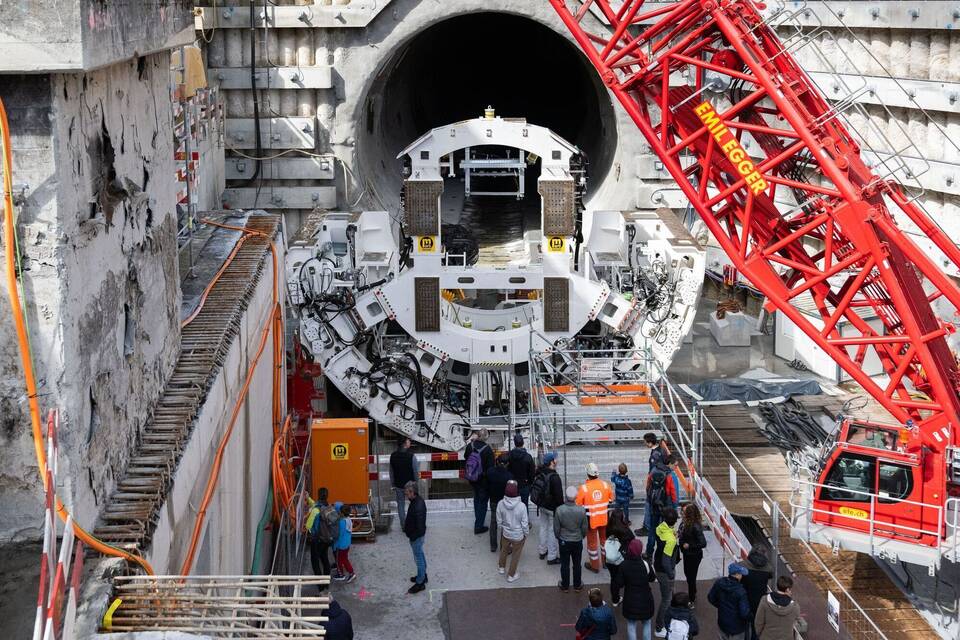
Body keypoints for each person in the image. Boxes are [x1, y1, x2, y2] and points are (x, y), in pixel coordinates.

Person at [613, 538, 657, 640]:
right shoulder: (645, 564)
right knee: (646, 623)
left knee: (631, 624)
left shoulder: (624, 565)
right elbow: (652, 578)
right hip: (646, 599)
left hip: (630, 600)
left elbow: (619, 583)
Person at [576, 462, 614, 572]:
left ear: (587, 474)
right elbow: (611, 499)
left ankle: (595, 566)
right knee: (604, 541)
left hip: (591, 521)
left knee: (592, 544)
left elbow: (578, 504)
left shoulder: (584, 488)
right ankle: (605, 562)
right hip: (604, 519)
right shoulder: (605, 485)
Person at [554, 485, 589, 592]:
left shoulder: (559, 510)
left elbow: (556, 528)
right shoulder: (581, 510)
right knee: (577, 564)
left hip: (564, 540)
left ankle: (565, 585)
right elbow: (584, 528)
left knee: (565, 564)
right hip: (577, 540)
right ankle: (577, 585)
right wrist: (581, 536)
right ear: (576, 497)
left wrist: (559, 537)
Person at [754, 575, 808, 640]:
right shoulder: (795, 606)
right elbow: (797, 619)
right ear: (787, 589)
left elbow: (758, 622)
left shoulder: (764, 600)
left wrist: (759, 635)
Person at [654, 507, 680, 637]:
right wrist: (671, 574)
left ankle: (670, 615)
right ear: (674, 521)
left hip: (657, 564)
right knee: (666, 599)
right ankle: (659, 627)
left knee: (669, 594)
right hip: (664, 571)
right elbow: (666, 561)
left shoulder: (660, 527)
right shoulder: (670, 540)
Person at [496, 480, 530, 582]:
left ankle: (501, 567)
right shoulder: (522, 506)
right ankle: (511, 575)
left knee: (504, 550)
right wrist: (526, 534)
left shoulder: (500, 503)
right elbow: (524, 523)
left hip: (506, 533)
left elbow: (498, 520)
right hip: (518, 535)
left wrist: (502, 528)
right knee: (516, 554)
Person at [708, 563, 752, 640]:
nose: (742, 576)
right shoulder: (741, 592)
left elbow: (711, 598)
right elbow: (744, 613)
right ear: (737, 575)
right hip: (737, 628)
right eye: (741, 574)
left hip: (723, 623)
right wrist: (751, 616)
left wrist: (721, 606)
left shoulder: (719, 583)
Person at [645, 459, 678, 559]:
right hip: (665, 504)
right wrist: (674, 505)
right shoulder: (668, 474)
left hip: (654, 504)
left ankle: (649, 553)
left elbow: (648, 487)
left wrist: (651, 497)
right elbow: (672, 491)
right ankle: (662, 551)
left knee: (652, 529)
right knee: (665, 528)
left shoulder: (653, 471)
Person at [534, 452, 564, 564]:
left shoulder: (540, 472)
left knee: (543, 527)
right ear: (552, 462)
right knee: (552, 531)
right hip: (552, 508)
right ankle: (552, 557)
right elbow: (559, 497)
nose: (557, 460)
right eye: (555, 459)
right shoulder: (555, 477)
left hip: (542, 505)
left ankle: (542, 551)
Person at [463, 429, 494, 534]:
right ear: (486, 437)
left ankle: (478, 519)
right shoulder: (488, 450)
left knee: (476, 498)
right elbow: (490, 468)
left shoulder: (470, 446)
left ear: (478, 435)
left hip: (472, 478)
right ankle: (479, 526)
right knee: (483, 502)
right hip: (483, 480)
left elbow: (466, 458)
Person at [305, 487, 335, 588]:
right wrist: (308, 498)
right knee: (325, 559)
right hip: (326, 539)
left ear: (318, 495)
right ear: (327, 496)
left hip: (317, 540)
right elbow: (315, 505)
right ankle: (326, 585)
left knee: (315, 562)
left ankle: (321, 589)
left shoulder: (315, 510)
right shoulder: (328, 507)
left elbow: (308, 526)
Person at [742, 545, 773, 640]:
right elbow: (770, 579)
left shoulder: (743, 565)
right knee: (757, 624)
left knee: (744, 623)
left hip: (745, 598)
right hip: (759, 600)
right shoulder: (769, 568)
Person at [605, 508, 635, 606]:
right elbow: (632, 540)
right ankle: (628, 599)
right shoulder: (625, 530)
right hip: (622, 558)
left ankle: (615, 599)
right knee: (627, 579)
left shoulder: (608, 528)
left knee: (613, 579)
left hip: (610, 558)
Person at [678, 503, 707, 604]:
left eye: (684, 511)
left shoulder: (695, 526)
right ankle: (693, 591)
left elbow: (703, 543)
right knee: (688, 574)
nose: (682, 512)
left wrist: (689, 545)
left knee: (691, 576)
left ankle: (691, 598)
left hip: (693, 555)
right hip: (688, 554)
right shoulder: (685, 523)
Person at [403, 480, 428, 594]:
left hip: (416, 537)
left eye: (407, 493)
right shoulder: (417, 501)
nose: (406, 495)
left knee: (418, 559)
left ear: (413, 492)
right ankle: (422, 575)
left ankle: (420, 583)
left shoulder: (417, 505)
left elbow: (420, 527)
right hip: (416, 536)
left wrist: (412, 537)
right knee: (420, 556)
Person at [486, 454, 514, 553]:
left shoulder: (490, 472)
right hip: (504, 502)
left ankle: (493, 546)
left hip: (493, 500)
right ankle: (504, 547)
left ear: (497, 461)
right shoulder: (509, 476)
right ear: (507, 464)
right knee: (505, 524)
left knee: (493, 523)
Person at [389, 437, 418, 525]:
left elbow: (391, 472)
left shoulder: (393, 456)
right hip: (411, 485)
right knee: (414, 503)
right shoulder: (411, 456)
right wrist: (416, 482)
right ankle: (414, 523)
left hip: (398, 485)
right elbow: (415, 471)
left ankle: (403, 525)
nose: (410, 442)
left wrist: (393, 483)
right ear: (405, 444)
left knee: (400, 505)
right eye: (408, 441)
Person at [507, 433, 536, 505]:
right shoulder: (528, 457)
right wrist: (530, 482)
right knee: (524, 504)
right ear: (523, 443)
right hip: (524, 483)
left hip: (512, 483)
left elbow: (507, 469)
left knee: (512, 504)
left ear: (514, 443)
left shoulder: (509, 455)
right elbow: (532, 472)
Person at [332, 502, 356, 583]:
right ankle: (351, 572)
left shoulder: (341, 522)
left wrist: (335, 545)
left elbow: (339, 535)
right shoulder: (348, 520)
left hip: (341, 545)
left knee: (339, 560)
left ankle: (341, 574)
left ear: (341, 513)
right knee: (345, 559)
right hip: (347, 544)